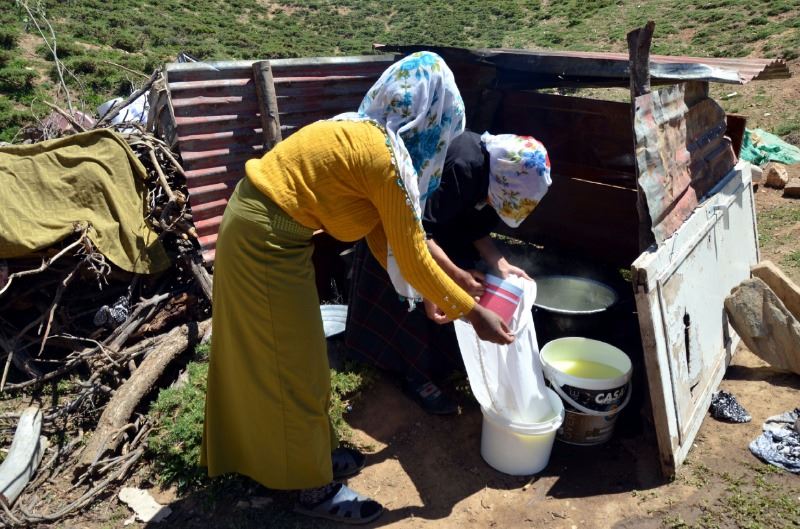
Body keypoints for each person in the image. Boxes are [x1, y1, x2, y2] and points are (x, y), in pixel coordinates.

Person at [200, 52, 514, 525]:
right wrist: (473, 312)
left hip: (268, 234)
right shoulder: (382, 158)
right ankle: (313, 489)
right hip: (264, 242)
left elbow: (384, 237)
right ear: (432, 117)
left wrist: (429, 293)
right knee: (295, 368)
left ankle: (303, 458)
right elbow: (412, 252)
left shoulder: (369, 137)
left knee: (291, 362)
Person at [346, 130, 551, 414]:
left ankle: (441, 363)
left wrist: (499, 262)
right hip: (399, 233)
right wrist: (453, 276)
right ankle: (415, 374)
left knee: (449, 295)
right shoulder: (463, 167)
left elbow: (471, 224)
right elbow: (418, 232)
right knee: (413, 302)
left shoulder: (492, 170)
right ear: (502, 179)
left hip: (434, 235)